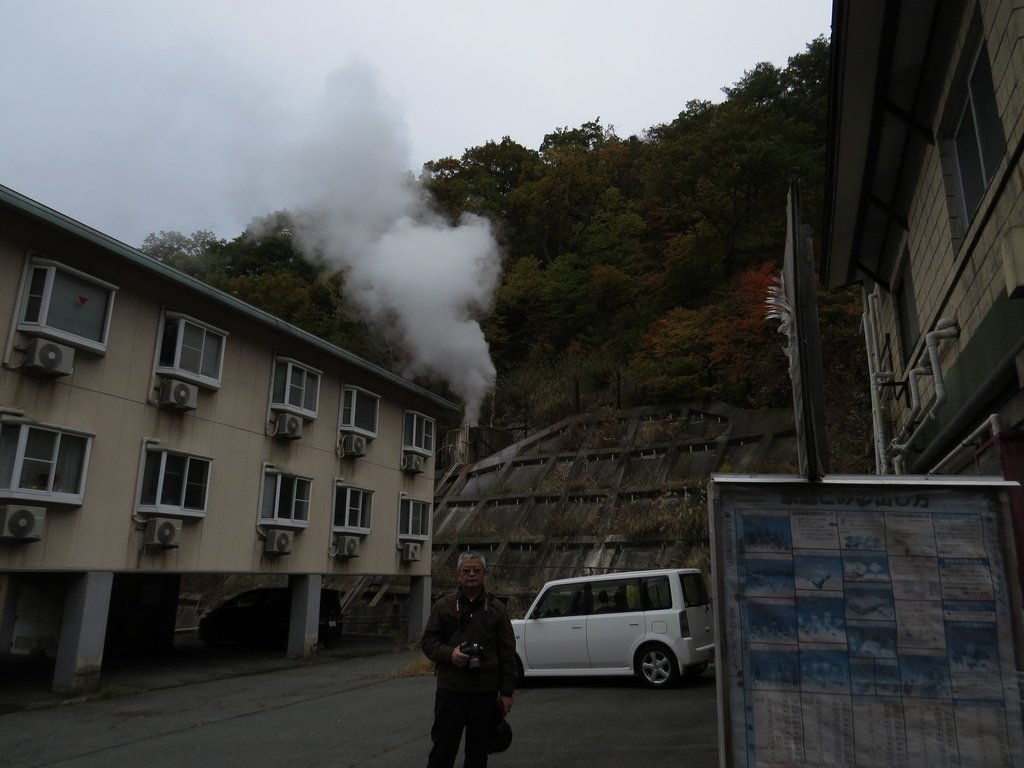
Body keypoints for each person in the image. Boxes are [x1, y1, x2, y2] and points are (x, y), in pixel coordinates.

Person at [421, 550, 516, 768]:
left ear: (485, 574)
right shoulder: (444, 606)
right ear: (458, 575)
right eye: (467, 570)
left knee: (478, 754)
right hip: (451, 690)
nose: (471, 574)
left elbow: (507, 653)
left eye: (476, 570)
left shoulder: (496, 610)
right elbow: (427, 642)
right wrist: (450, 654)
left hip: (484, 692)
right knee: (442, 751)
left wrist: (507, 692)